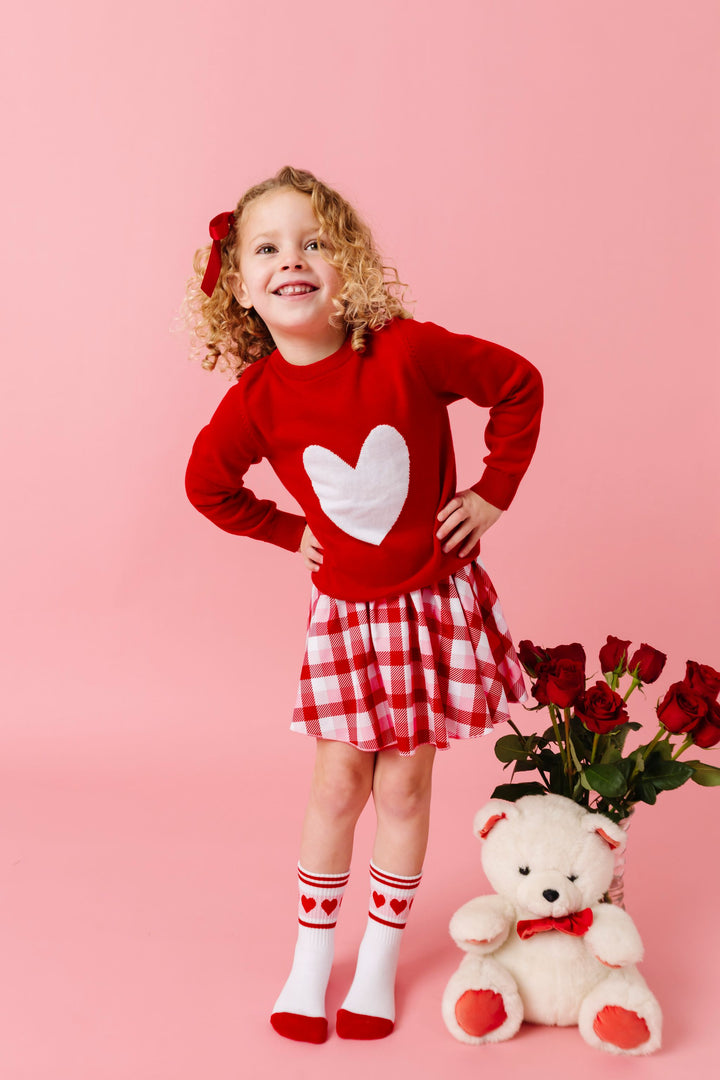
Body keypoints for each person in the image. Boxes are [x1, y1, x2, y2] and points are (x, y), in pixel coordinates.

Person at [183, 166, 543, 1044]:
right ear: (239, 286)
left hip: (429, 605)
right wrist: (282, 533)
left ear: (350, 264)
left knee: (408, 784)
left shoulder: (409, 351)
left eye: (314, 242)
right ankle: (312, 957)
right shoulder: (257, 403)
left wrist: (493, 492)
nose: (291, 260)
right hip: (347, 616)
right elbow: (208, 486)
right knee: (340, 779)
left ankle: (378, 959)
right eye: (266, 249)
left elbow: (519, 384)